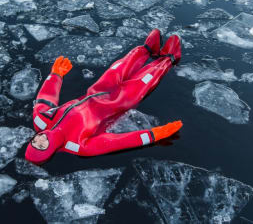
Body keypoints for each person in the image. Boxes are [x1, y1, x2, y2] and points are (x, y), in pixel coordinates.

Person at [25, 29, 183, 165]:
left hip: (96, 91)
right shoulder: (80, 146)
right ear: (50, 151)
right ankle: (169, 58)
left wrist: (56, 75)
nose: (40, 139)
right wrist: (154, 135)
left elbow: (45, 98)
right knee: (145, 79)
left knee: (118, 68)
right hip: (119, 103)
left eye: (34, 141)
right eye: (41, 146)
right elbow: (119, 142)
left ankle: (147, 48)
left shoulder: (41, 120)